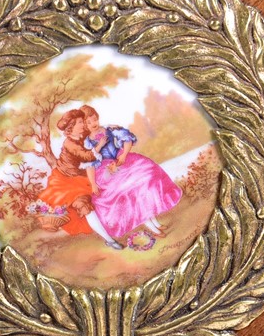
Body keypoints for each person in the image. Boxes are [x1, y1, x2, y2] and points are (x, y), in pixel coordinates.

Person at [79, 105, 182, 240]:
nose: (93, 124)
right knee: (131, 192)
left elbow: (127, 139)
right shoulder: (87, 143)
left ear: (98, 118)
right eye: (88, 122)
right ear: (85, 125)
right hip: (106, 171)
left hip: (122, 161)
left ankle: (155, 223)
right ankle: (152, 227)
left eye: (94, 119)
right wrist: (92, 183)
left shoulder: (110, 129)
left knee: (144, 181)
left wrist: (123, 155)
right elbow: (89, 164)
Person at [35, 109, 122, 249]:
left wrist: (111, 128)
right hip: (66, 181)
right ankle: (110, 240)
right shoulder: (69, 144)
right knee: (83, 204)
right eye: (80, 122)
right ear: (71, 127)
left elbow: (98, 131)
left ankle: (120, 223)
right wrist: (100, 145)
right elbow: (88, 156)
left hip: (83, 176)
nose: (83, 125)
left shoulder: (83, 135)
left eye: (83, 122)